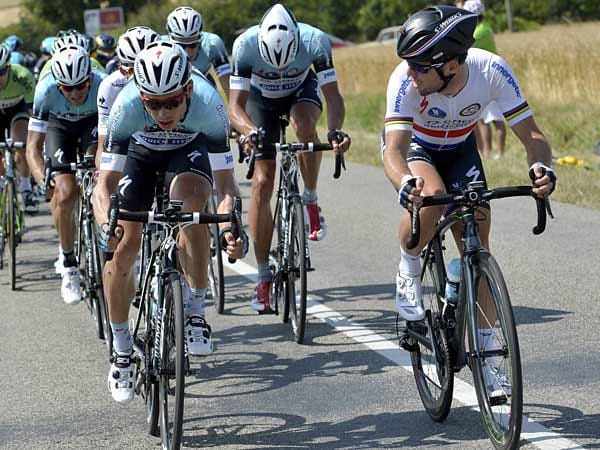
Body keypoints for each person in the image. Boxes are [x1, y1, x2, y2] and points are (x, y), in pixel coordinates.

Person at [383, 5, 556, 395]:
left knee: (477, 233)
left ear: (449, 65)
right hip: (418, 150)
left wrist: (541, 169)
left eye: (419, 65)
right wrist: (404, 182)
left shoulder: (490, 69)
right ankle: (409, 268)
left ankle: (492, 361)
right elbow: (392, 151)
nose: (410, 71)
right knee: (428, 197)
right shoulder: (405, 82)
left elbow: (532, 135)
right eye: (408, 65)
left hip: (462, 149)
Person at [93, 41, 246, 404]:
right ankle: (122, 348)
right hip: (140, 156)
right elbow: (104, 186)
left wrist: (229, 228)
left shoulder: (209, 103)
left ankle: (194, 309)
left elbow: (226, 186)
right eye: (154, 104)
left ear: (188, 90)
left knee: (192, 207)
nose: (163, 112)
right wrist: (105, 223)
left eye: (172, 102)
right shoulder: (127, 106)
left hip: (187, 152)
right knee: (123, 246)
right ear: (141, 97)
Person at [229, 3, 351, 313]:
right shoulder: (244, 45)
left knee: (305, 127)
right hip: (260, 101)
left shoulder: (315, 41)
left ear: (297, 41)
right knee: (261, 181)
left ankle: (309, 197)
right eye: (274, 66)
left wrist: (335, 131)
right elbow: (236, 107)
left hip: (301, 93)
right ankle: (263, 276)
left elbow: (334, 98)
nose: (280, 72)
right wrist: (248, 133)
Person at [26, 45, 107, 304]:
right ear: (58, 85)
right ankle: (69, 263)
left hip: (92, 126)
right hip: (58, 128)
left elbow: (114, 140)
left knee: (100, 172)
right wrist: (41, 178)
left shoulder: (103, 84)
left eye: (81, 86)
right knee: (65, 191)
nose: (74, 93)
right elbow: (32, 148)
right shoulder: (46, 90)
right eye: (67, 88)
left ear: (90, 79)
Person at [96, 26, 160, 168]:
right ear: (120, 68)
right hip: (134, 146)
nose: (140, 77)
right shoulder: (110, 86)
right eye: (132, 70)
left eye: (146, 68)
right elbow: (104, 142)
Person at [463, 0, 506, 159]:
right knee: (481, 118)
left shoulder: (479, 31)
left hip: (489, 78)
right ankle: (485, 152)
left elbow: (463, 43)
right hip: (482, 76)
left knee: (494, 118)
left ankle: (499, 153)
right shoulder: (484, 26)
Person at [0, 45, 38, 214]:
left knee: (20, 145)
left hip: (18, 110)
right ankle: (2, 183)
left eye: (1, 72)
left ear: (8, 68)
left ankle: (25, 187)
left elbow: (34, 112)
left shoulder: (23, 76)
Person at [166, 6, 232, 100]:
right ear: (171, 40)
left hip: (204, 86)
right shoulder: (161, 48)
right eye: (181, 46)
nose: (187, 52)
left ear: (200, 38)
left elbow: (229, 90)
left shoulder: (212, 44)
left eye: (193, 45)